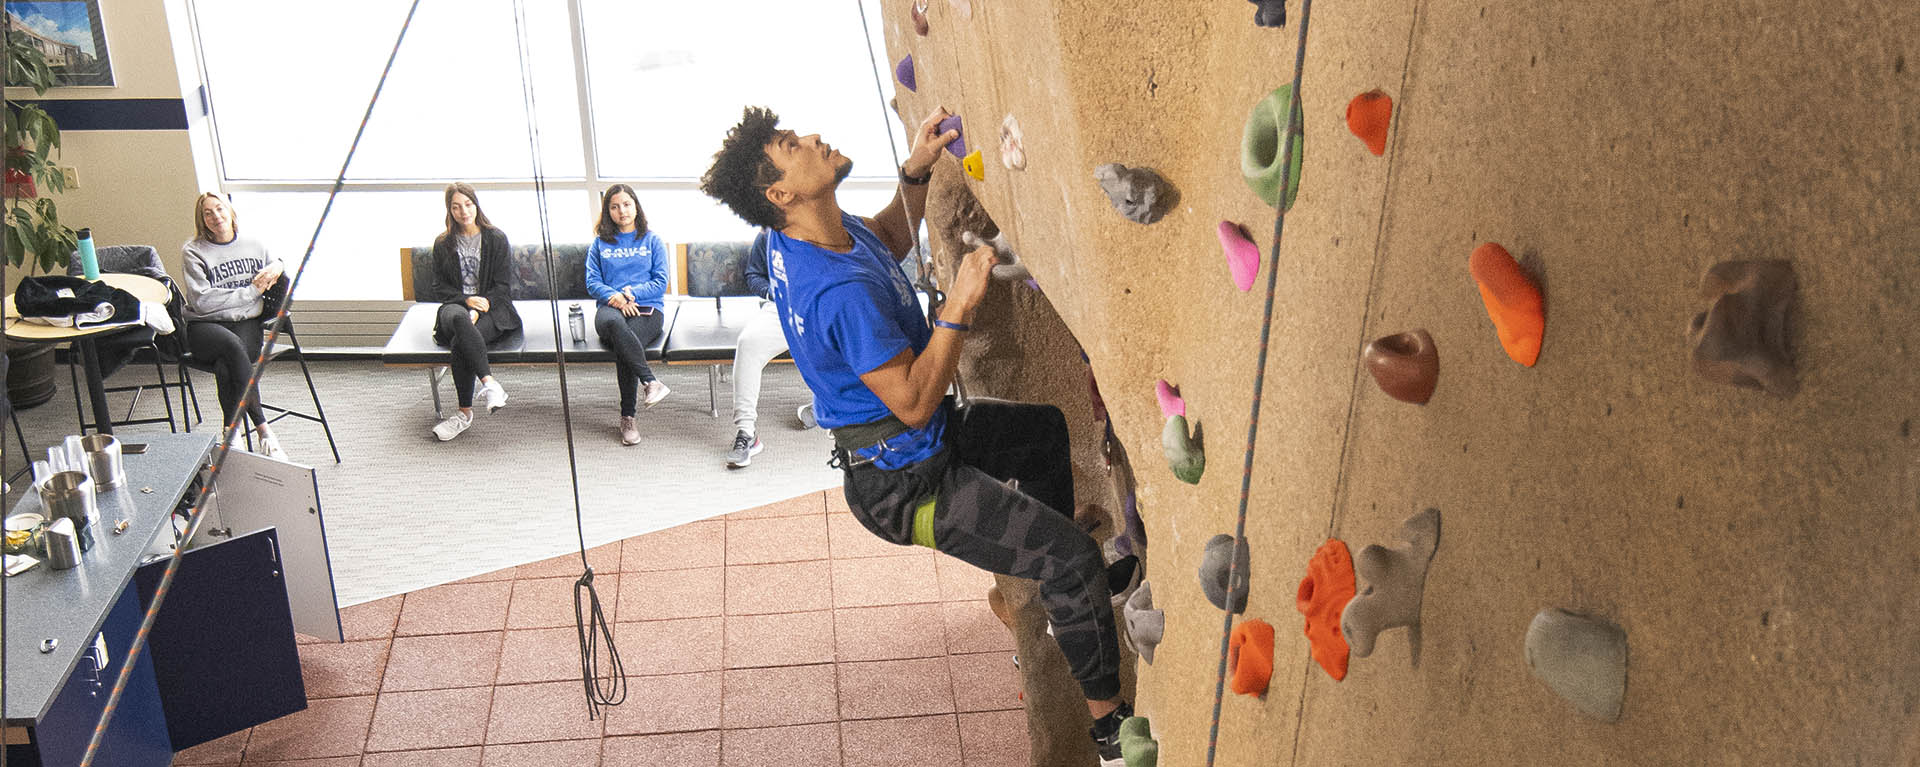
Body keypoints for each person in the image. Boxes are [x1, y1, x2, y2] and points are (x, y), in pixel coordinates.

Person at [699, 106, 1137, 761]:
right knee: (1072, 557)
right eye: (795, 145)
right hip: (906, 485)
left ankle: (1059, 595)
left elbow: (885, 238)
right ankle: (1109, 731)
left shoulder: (797, 236)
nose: (815, 137)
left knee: (1042, 432)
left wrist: (914, 172)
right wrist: (958, 306)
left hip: (916, 445)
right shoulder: (836, 293)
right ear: (781, 193)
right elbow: (911, 399)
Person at [180, 192, 289, 461]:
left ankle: (231, 432)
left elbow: (277, 268)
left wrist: (278, 265)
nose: (216, 216)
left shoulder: (255, 244)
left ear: (231, 212)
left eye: (220, 209)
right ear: (202, 221)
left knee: (225, 365)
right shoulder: (193, 251)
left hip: (246, 322)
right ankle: (265, 431)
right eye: (208, 213)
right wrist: (250, 292)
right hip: (205, 326)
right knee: (231, 347)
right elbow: (203, 302)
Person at [426, 182, 519, 441]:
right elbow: (439, 288)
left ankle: (464, 414)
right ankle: (490, 384)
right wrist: (467, 302)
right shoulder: (443, 243)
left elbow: (503, 286)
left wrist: (481, 306)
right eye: (456, 207)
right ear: (449, 211)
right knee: (457, 318)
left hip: (492, 309)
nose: (463, 211)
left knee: (460, 341)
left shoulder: (496, 238)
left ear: (476, 204)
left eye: (467, 204)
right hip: (455, 307)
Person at [723, 230, 818, 468]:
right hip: (779, 309)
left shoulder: (822, 225)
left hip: (818, 306)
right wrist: (771, 292)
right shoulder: (767, 234)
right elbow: (753, 275)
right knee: (748, 343)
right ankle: (747, 433)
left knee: (850, 337)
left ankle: (827, 403)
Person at [586, 183, 671, 445]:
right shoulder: (600, 244)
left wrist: (630, 294)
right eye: (614, 206)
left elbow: (661, 281)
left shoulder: (652, 240)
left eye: (626, 204)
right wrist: (616, 298)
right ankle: (650, 381)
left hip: (648, 309)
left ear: (636, 207)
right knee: (616, 328)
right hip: (610, 309)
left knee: (627, 343)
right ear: (607, 211)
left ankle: (628, 417)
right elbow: (592, 282)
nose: (621, 211)